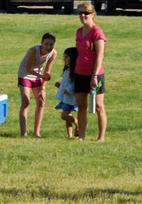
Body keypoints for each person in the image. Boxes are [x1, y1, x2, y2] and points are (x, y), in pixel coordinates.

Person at [74, 2, 107, 142]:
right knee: (81, 106)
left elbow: (100, 55)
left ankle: (101, 137)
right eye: (80, 13)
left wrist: (94, 76)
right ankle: (81, 136)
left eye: (86, 13)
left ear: (93, 14)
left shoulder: (97, 32)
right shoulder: (79, 31)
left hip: (95, 74)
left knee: (99, 106)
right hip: (79, 73)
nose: (83, 15)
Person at [18, 33, 57, 138]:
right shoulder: (33, 50)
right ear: (41, 43)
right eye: (46, 44)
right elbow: (28, 68)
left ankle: (36, 132)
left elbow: (47, 70)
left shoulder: (53, 53)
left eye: (51, 44)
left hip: (38, 76)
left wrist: (43, 87)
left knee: (41, 101)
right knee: (26, 102)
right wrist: (41, 75)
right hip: (25, 74)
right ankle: (23, 133)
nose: (48, 47)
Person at [54, 47, 79, 138]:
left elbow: (74, 84)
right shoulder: (67, 70)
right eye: (64, 57)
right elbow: (66, 82)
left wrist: (68, 90)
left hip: (70, 97)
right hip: (66, 98)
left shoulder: (75, 71)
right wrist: (60, 85)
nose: (64, 59)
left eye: (67, 57)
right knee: (67, 117)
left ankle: (77, 123)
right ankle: (70, 135)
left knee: (64, 115)